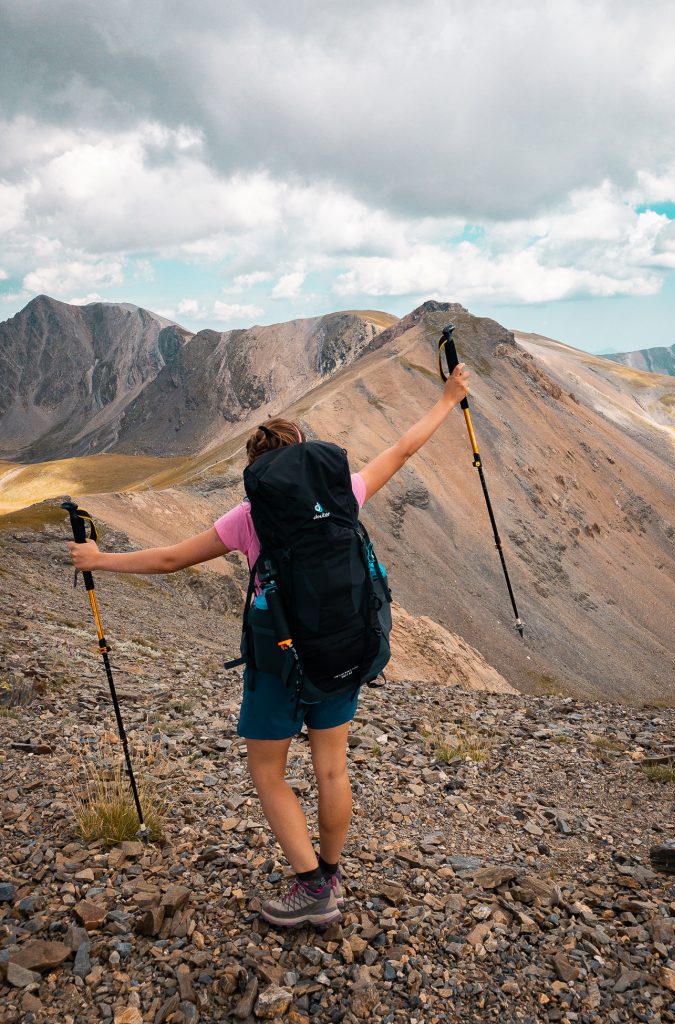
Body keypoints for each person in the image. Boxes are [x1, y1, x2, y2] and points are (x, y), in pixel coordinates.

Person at [68, 362, 470, 927]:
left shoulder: (248, 517)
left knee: (269, 771)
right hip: (341, 645)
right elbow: (402, 450)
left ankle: (311, 890)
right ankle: (328, 871)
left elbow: (169, 559)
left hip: (275, 657)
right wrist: (448, 398)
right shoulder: (344, 493)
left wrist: (98, 560)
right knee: (332, 769)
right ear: (303, 452)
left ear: (257, 466)